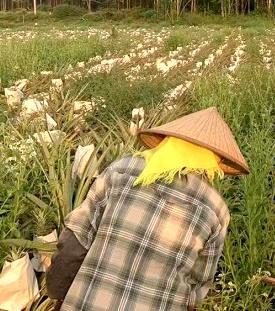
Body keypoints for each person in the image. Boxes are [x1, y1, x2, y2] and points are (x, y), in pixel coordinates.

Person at [47, 107, 250, 311]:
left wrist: (58, 292)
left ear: (168, 141)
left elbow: (76, 241)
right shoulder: (216, 209)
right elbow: (197, 284)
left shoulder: (121, 171)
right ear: (213, 161)